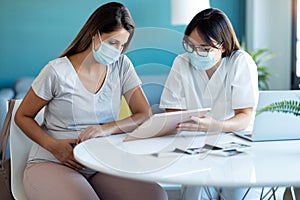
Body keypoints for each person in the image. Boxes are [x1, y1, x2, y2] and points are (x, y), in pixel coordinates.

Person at [15, 2, 168, 200]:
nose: (118, 51)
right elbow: (22, 116)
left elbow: (144, 114)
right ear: (95, 35)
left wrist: (106, 128)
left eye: (123, 45)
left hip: (99, 163)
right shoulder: (56, 71)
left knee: (156, 196)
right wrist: (53, 146)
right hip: (53, 162)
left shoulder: (121, 65)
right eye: (113, 43)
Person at [159, 8, 280, 200]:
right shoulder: (181, 63)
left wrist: (215, 126)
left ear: (222, 46)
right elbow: (172, 112)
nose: (196, 53)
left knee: (239, 193)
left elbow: (245, 115)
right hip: (195, 147)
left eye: (205, 49)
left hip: (237, 146)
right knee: (195, 194)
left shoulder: (240, 62)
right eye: (191, 46)